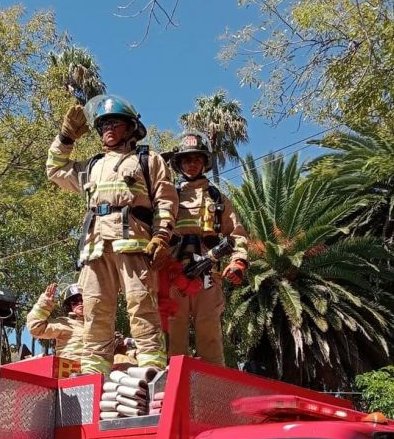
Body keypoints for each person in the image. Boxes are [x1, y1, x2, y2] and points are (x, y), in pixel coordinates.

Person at [46, 95, 178, 375]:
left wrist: (162, 236)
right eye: (103, 123)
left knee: (141, 304)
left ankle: (152, 367)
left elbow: (166, 200)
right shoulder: (92, 165)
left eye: (114, 122)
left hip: (134, 244)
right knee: (95, 311)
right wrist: (66, 136)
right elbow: (55, 169)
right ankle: (94, 372)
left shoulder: (147, 159)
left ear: (131, 127)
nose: (107, 128)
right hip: (95, 248)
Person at [165, 131, 248, 365]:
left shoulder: (217, 197)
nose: (192, 164)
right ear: (178, 163)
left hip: (208, 275)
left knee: (209, 330)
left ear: (204, 163)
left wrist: (238, 261)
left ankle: (213, 383)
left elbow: (236, 233)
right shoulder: (168, 196)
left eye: (197, 159)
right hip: (174, 275)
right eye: (186, 159)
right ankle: (173, 385)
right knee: (174, 332)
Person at [26, 283, 84, 361]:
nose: (80, 303)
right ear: (69, 305)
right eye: (75, 301)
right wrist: (45, 302)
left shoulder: (100, 324)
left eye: (83, 300)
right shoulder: (63, 323)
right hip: (70, 370)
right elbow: (36, 329)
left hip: (98, 371)